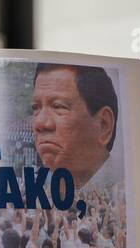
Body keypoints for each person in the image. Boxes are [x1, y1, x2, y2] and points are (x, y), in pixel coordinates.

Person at [31, 63, 118, 192]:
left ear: (103, 125)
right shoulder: (38, 188)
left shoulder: (128, 191)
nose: (40, 123)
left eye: (58, 106)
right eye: (35, 107)